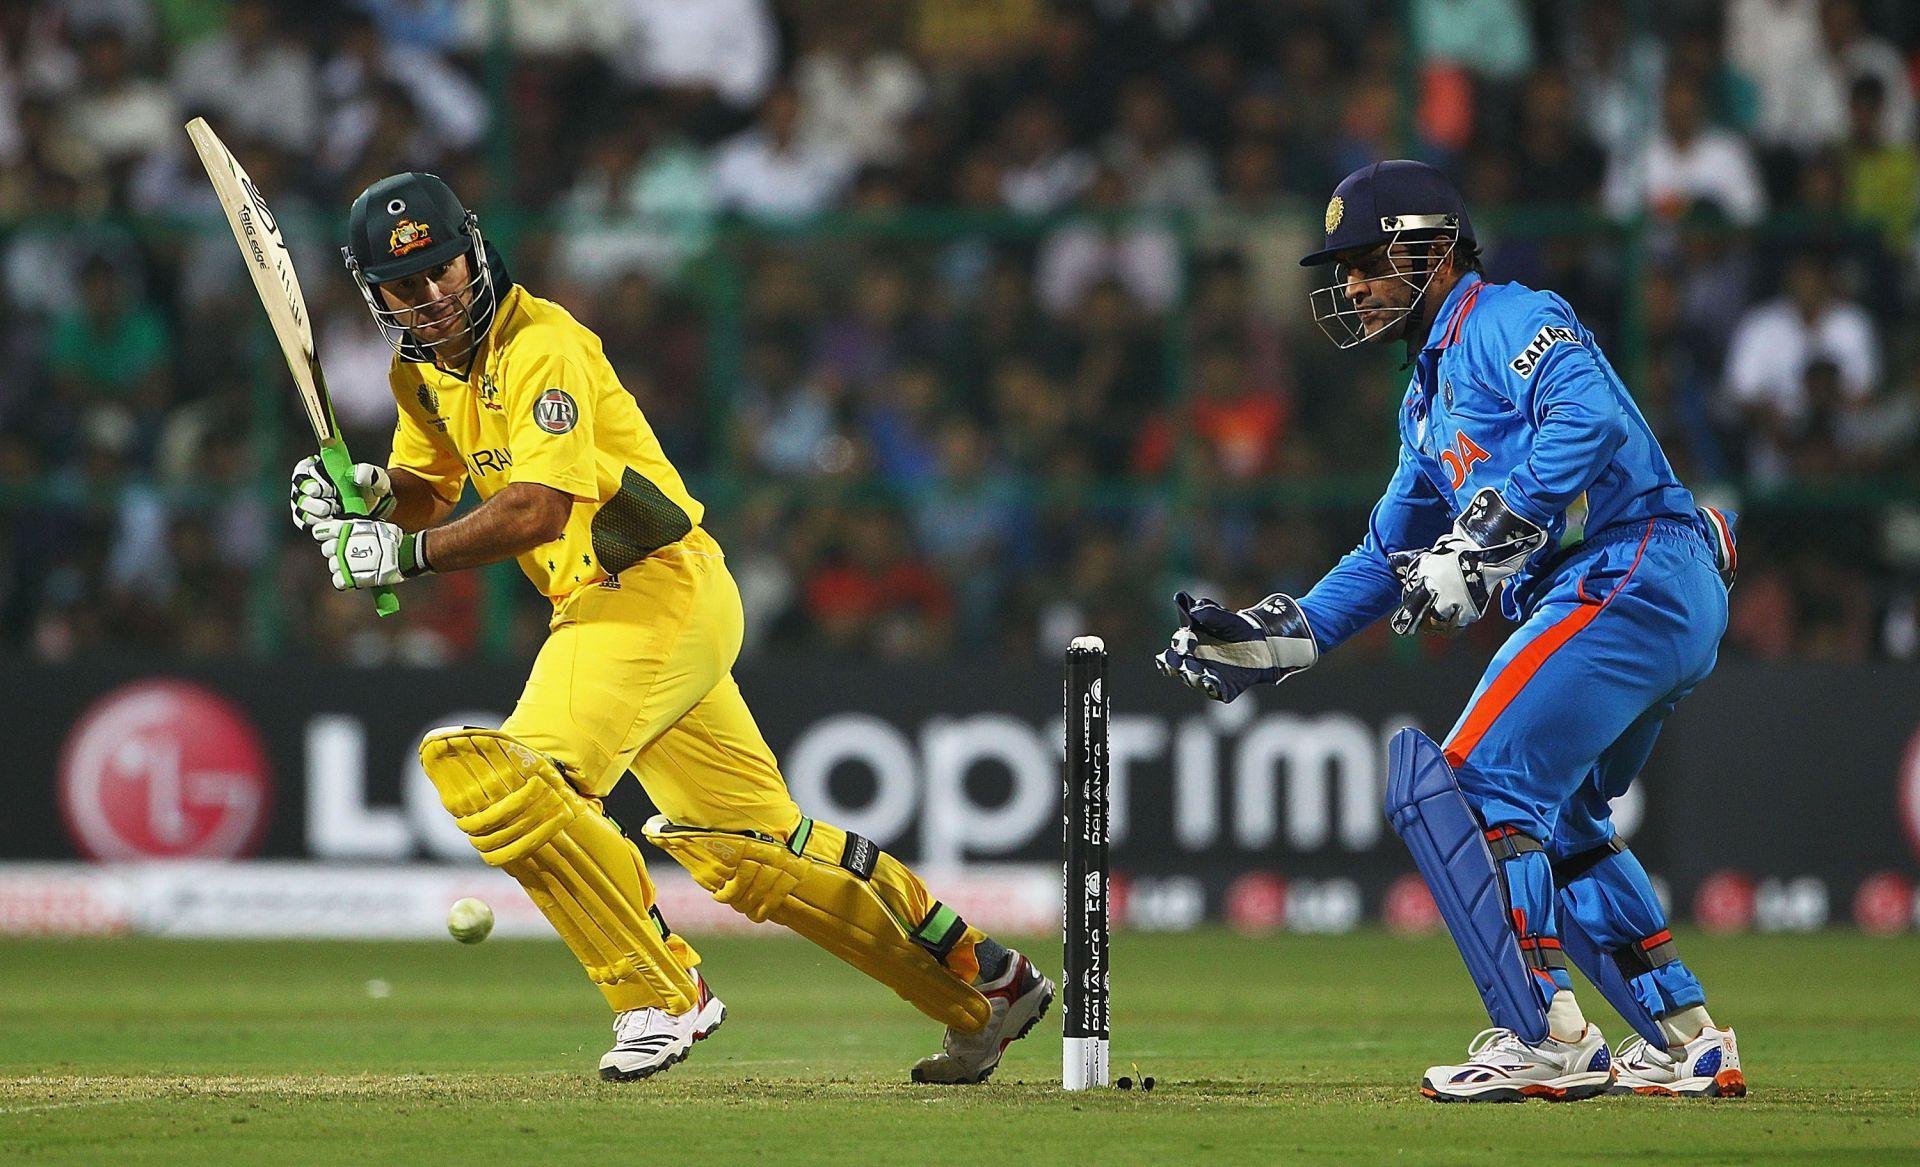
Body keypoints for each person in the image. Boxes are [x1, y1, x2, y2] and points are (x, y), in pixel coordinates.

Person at [288, 172, 1051, 1083]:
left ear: (474, 251)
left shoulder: (543, 345)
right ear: (377, 295)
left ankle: (660, 993)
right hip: (613, 607)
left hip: (652, 582)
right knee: (752, 855)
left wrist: (401, 559)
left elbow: (533, 508)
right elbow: (428, 490)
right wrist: (366, 498)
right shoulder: (419, 373)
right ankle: (986, 985)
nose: (435, 297)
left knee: (505, 777)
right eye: (406, 288)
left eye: (444, 271)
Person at [1155, 160, 1747, 1103]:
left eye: (1361, 262)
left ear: (1428, 248)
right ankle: (1689, 1040)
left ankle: (1546, 1033)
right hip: (1638, 589)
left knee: (1471, 790)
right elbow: (1384, 554)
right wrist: (1275, 639)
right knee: (1564, 828)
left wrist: (1490, 529)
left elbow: (1587, 417)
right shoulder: (1424, 403)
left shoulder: (1507, 316)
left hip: (1632, 566)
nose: (1346, 286)